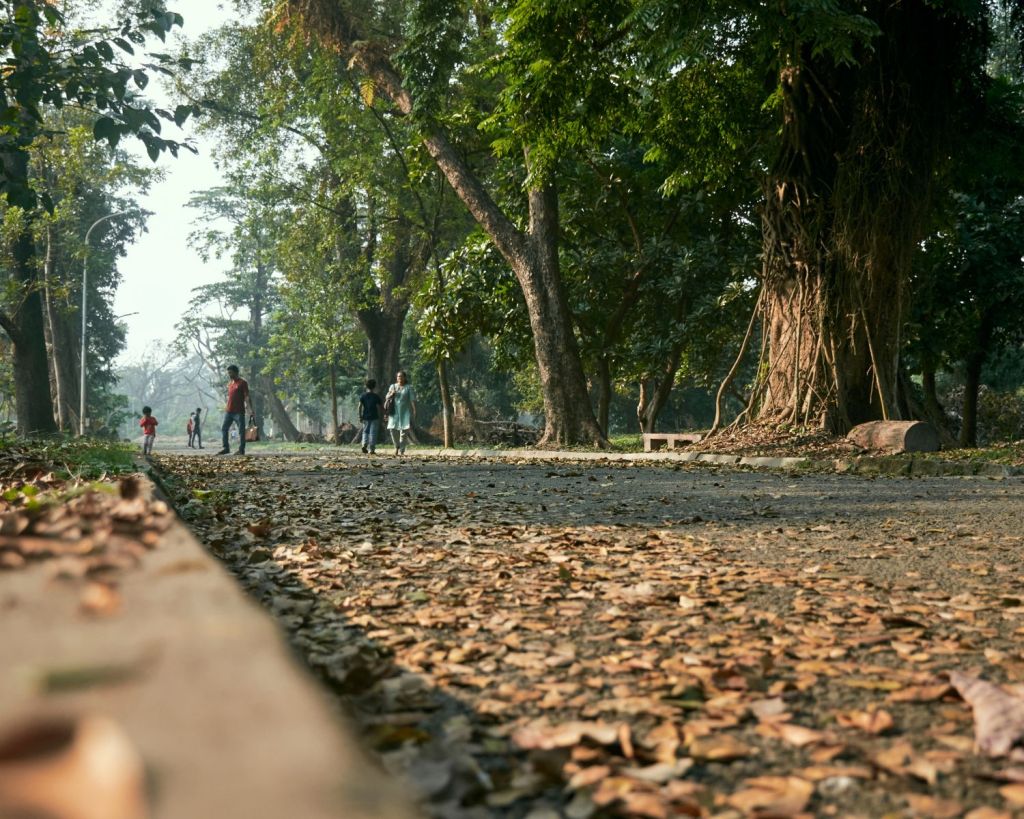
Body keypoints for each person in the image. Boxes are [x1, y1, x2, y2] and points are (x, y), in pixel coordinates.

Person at [219, 365, 253, 456]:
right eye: (228, 373)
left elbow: (246, 396)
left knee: (241, 431)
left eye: (230, 372)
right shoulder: (230, 384)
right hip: (229, 411)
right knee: (224, 428)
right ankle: (226, 448)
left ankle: (241, 450)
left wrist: (249, 408)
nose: (229, 374)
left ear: (235, 372)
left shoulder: (243, 382)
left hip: (239, 411)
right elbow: (230, 397)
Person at [384, 370, 416, 456]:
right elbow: (387, 397)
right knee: (392, 429)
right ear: (396, 378)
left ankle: (402, 449)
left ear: (405, 378)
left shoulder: (409, 387)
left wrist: (414, 410)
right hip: (394, 411)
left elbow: (412, 399)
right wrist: (391, 394)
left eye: (401, 376)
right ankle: (396, 446)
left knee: (404, 431)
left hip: (405, 412)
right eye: (398, 376)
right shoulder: (393, 386)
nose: (400, 378)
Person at [358, 379, 382, 454]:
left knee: (365, 431)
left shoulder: (363, 396)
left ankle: (364, 444)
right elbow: (379, 407)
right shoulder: (376, 396)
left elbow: (359, 406)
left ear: (366, 386)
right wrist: (384, 414)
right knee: (373, 433)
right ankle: (372, 449)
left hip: (365, 417)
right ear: (374, 387)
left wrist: (360, 416)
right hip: (374, 417)